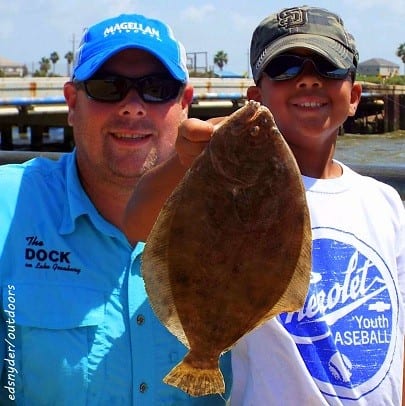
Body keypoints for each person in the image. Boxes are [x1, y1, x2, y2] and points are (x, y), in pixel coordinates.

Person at [124, 5, 405, 405]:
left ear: (354, 96)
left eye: (327, 68)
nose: (308, 80)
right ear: (255, 98)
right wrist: (184, 162)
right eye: (287, 68)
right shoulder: (214, 179)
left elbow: (398, 340)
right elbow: (137, 222)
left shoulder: (386, 203)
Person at [0, 13, 232, 405]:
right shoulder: (9, 205)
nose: (132, 107)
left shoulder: (237, 218)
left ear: (185, 104)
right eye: (109, 87)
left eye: (156, 88)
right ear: (72, 103)